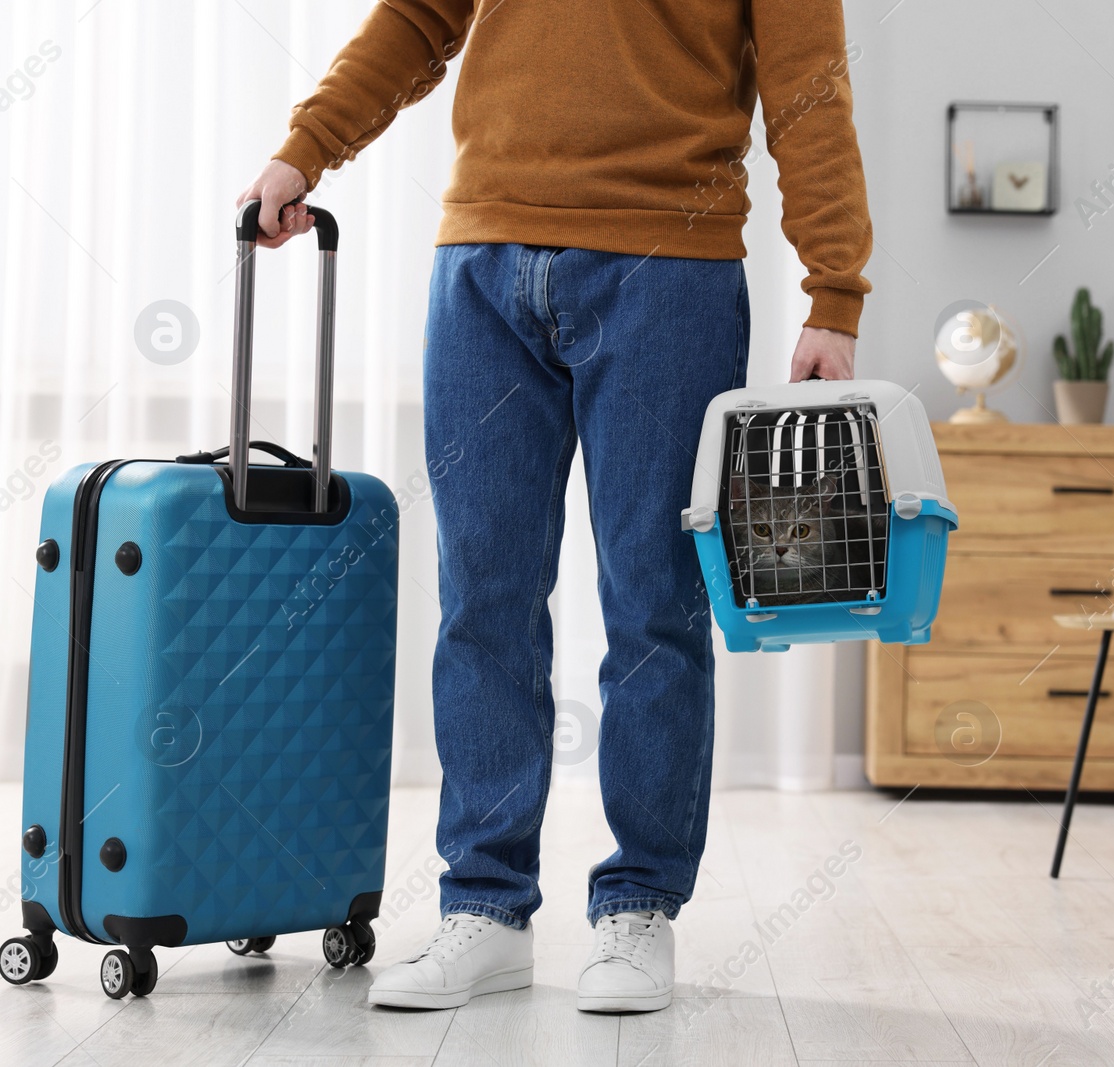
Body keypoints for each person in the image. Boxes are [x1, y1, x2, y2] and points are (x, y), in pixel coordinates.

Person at [236, 0, 871, 1013]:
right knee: (481, 599)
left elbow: (806, 87)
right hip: (483, 259)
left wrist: (832, 289)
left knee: (654, 604)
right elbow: (414, 19)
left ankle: (638, 907)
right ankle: (484, 909)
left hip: (670, 267)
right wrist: (305, 150)